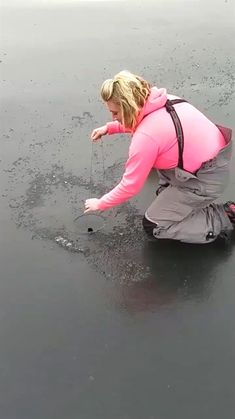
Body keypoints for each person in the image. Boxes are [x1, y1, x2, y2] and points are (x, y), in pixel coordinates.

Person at [84, 70, 234, 244]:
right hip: (214, 161)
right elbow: (145, 122)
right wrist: (110, 128)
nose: (113, 117)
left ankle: (225, 216)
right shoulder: (164, 100)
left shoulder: (146, 138)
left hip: (205, 179)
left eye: (116, 113)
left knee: (154, 226)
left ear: (129, 107)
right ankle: (181, 200)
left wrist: (101, 203)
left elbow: (130, 186)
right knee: (161, 178)